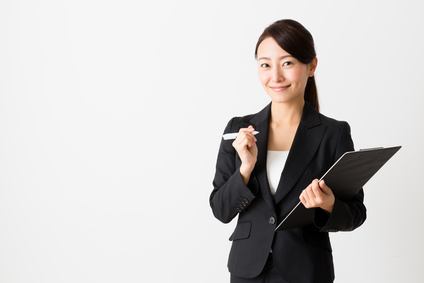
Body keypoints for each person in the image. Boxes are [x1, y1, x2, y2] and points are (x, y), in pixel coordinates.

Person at [210, 19, 367, 283]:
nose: (276, 77)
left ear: (311, 66)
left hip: (306, 270)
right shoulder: (238, 130)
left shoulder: (333, 133)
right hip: (248, 270)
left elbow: (356, 213)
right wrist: (245, 170)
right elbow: (220, 209)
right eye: (265, 65)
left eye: (287, 63)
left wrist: (327, 205)